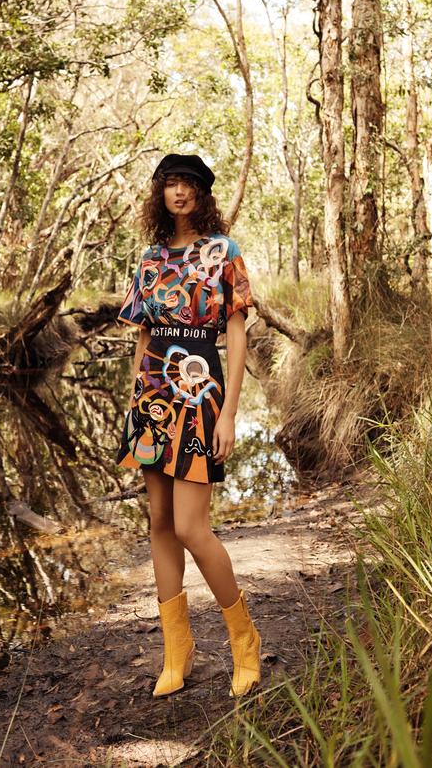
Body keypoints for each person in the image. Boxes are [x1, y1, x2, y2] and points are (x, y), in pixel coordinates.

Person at [114, 152, 262, 698]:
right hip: (153, 393)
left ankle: (244, 642)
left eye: (188, 184)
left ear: (203, 193)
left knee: (192, 528)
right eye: (171, 183)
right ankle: (176, 652)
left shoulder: (223, 252)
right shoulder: (150, 259)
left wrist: (229, 412)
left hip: (200, 391)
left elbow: (239, 332)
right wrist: (134, 399)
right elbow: (143, 338)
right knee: (158, 521)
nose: (179, 192)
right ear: (161, 193)